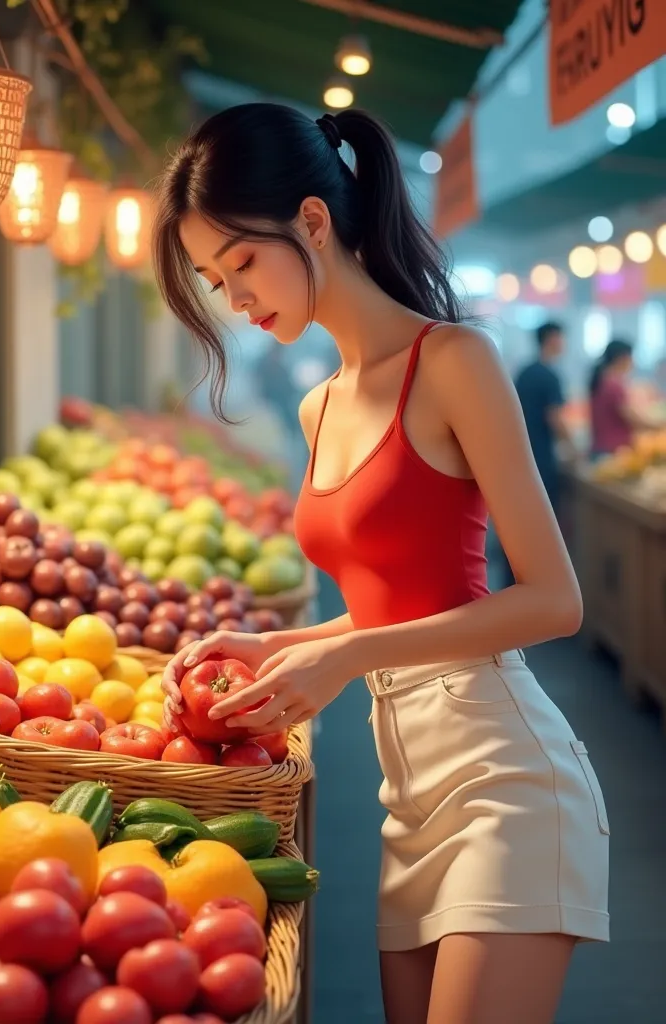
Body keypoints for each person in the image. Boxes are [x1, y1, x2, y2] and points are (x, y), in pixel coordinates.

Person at [153, 103, 609, 1024]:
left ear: (314, 221)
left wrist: (345, 657)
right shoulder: (320, 408)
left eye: (241, 261)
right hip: (408, 799)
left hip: (505, 779)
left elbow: (554, 602)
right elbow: (398, 604)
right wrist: (275, 642)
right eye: (214, 278)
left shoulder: (453, 361)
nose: (233, 297)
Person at [514, 322, 575, 513]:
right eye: (561, 338)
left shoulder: (525, 372)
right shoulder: (550, 376)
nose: (563, 343)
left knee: (524, 509)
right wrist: (573, 448)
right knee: (545, 509)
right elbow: (555, 417)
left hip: (521, 450)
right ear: (551, 339)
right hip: (542, 453)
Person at [589, 339, 655, 457]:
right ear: (621, 359)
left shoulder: (603, 380)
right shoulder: (613, 385)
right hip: (612, 451)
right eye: (631, 357)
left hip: (602, 447)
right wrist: (657, 425)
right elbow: (631, 417)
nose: (633, 362)